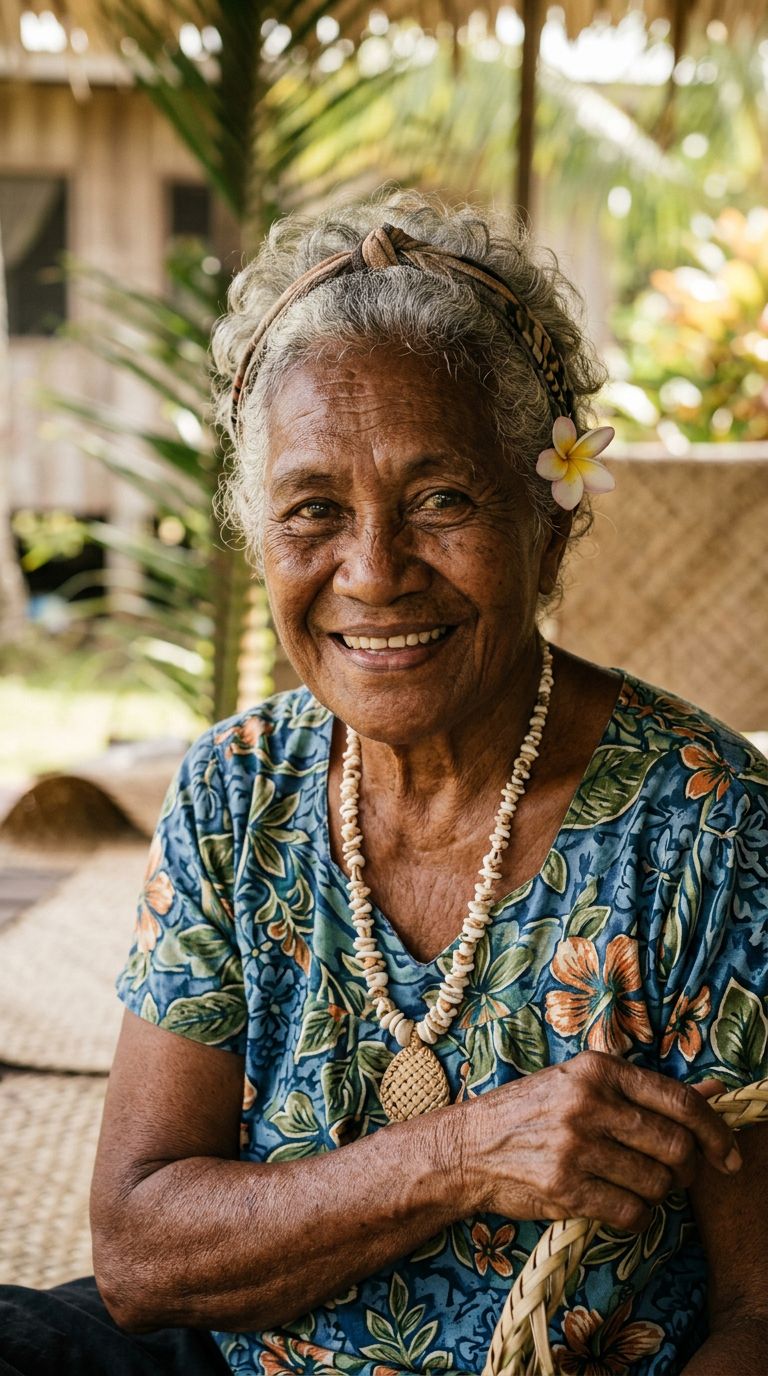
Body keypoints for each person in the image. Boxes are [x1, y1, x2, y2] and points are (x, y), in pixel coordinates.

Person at [2, 192, 767, 1376]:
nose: (373, 571)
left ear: (548, 520)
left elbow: (761, 1313)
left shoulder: (707, 826)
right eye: (315, 509)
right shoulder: (235, 788)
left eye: (440, 500)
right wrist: (461, 1153)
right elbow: (143, 1255)